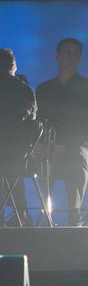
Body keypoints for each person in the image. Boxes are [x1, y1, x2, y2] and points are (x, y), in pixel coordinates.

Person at [35, 38, 88, 226]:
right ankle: (39, 215)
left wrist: (64, 146)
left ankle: (74, 216)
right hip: (53, 147)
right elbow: (38, 121)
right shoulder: (44, 89)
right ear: (57, 56)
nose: (72, 57)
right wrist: (39, 143)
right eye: (67, 53)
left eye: (76, 54)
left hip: (85, 149)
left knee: (76, 155)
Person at [0, 49, 37, 226]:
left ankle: (19, 214)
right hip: (20, 151)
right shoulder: (24, 89)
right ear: (14, 66)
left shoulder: (19, 89)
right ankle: (21, 213)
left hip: (14, 151)